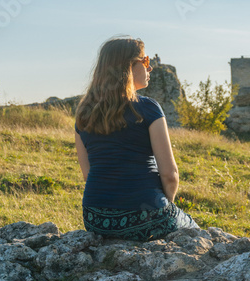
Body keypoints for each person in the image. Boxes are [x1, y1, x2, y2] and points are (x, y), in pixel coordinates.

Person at [74, 36, 198, 241]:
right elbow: (170, 174)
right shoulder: (148, 108)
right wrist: (162, 207)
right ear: (128, 67)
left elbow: (88, 175)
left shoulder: (83, 113)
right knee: (196, 232)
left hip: (95, 219)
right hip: (146, 215)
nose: (150, 68)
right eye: (145, 61)